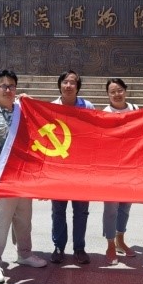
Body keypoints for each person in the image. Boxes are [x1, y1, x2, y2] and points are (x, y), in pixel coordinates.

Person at [0, 70, 47, 284]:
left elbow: (41, 122)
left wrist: (31, 102)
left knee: (24, 219)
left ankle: (24, 254)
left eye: (11, 86)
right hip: (3, 177)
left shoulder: (21, 109)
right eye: (3, 86)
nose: (8, 90)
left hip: (23, 177)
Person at [50, 70, 95, 265]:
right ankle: (59, 247)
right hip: (58, 169)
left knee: (81, 211)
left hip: (81, 169)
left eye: (72, 82)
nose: (68, 86)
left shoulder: (87, 106)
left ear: (78, 87)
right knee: (58, 211)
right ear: (60, 85)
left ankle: (79, 248)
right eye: (65, 82)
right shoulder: (51, 107)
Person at [101, 78, 138, 265]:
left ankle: (120, 240)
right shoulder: (104, 113)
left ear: (125, 91)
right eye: (112, 92)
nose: (117, 94)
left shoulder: (135, 109)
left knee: (125, 206)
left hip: (130, 167)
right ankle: (110, 244)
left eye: (120, 90)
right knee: (111, 209)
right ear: (108, 95)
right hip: (111, 169)